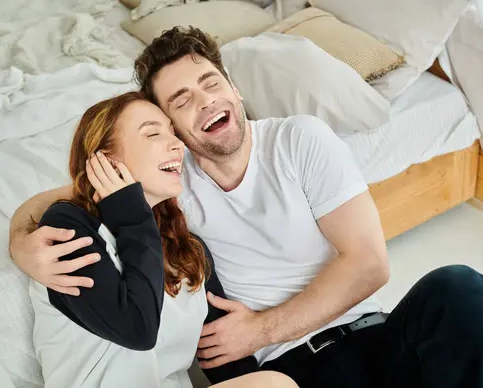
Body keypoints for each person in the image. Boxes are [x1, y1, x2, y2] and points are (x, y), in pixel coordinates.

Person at [10, 27, 483, 388]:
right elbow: (77, 190)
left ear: (234, 90)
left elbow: (370, 264)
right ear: (174, 131)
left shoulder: (299, 139)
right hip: (289, 374)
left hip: (373, 338)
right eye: (180, 101)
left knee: (463, 290)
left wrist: (259, 329)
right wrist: (20, 240)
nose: (204, 101)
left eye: (210, 82)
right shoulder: (173, 180)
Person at [24, 91, 297, 388]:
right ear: (107, 159)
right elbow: (137, 330)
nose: (177, 144)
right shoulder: (68, 226)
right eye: (153, 134)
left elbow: (226, 359)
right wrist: (132, 216)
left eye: (173, 133)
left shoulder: (189, 251)